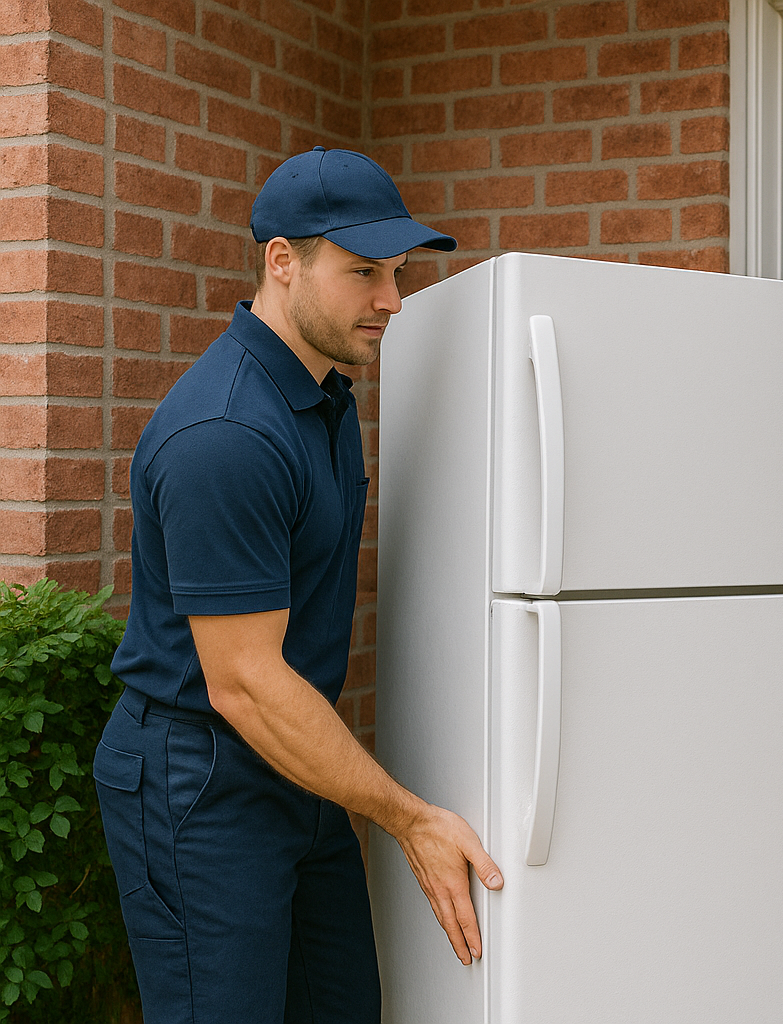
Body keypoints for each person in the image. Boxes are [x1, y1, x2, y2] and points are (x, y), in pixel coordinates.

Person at [96, 147, 501, 1024]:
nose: (393, 300)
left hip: (296, 764)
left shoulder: (323, 398)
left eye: (396, 273)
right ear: (283, 262)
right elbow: (243, 680)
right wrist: (409, 816)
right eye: (364, 273)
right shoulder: (227, 432)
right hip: (201, 777)